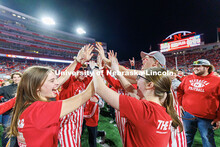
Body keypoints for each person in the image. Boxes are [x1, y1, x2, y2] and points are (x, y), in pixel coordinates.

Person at [96, 44, 187, 147]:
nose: (143, 60)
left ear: (155, 63)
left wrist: (103, 61)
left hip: (170, 135)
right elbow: (129, 86)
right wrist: (114, 70)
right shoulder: (158, 79)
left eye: (146, 58)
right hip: (162, 130)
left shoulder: (154, 76)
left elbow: (125, 72)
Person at [8, 66, 94, 146]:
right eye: (52, 81)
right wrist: (96, 70)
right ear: (37, 86)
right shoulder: (42, 108)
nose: (57, 83)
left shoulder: (26, 103)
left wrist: (78, 61)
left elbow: (63, 78)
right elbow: (85, 95)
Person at [177, 59, 220, 147]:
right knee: (186, 138)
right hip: (187, 114)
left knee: (207, 140)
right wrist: (180, 104)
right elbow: (180, 91)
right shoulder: (187, 78)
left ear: (207, 67)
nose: (195, 68)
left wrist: (219, 118)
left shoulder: (217, 81)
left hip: (206, 117)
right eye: (194, 66)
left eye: (198, 66)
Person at [0, 72, 22, 146]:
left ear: (21, 78)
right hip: (8, 114)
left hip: (21, 113)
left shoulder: (26, 88)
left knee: (20, 132)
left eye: (18, 77)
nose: (16, 79)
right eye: (15, 77)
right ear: (12, 79)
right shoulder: (6, 88)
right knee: (7, 132)